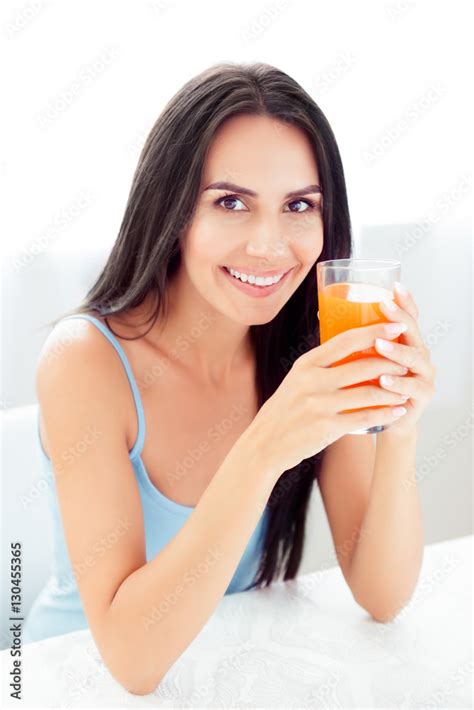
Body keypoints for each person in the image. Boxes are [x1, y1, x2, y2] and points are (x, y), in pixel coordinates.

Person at [24, 61, 435, 695]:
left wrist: (398, 428)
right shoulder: (85, 359)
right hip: (74, 680)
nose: (271, 245)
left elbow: (382, 595)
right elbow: (132, 664)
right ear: (173, 211)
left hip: (223, 672)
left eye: (299, 205)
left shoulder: (309, 352)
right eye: (231, 202)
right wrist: (266, 445)